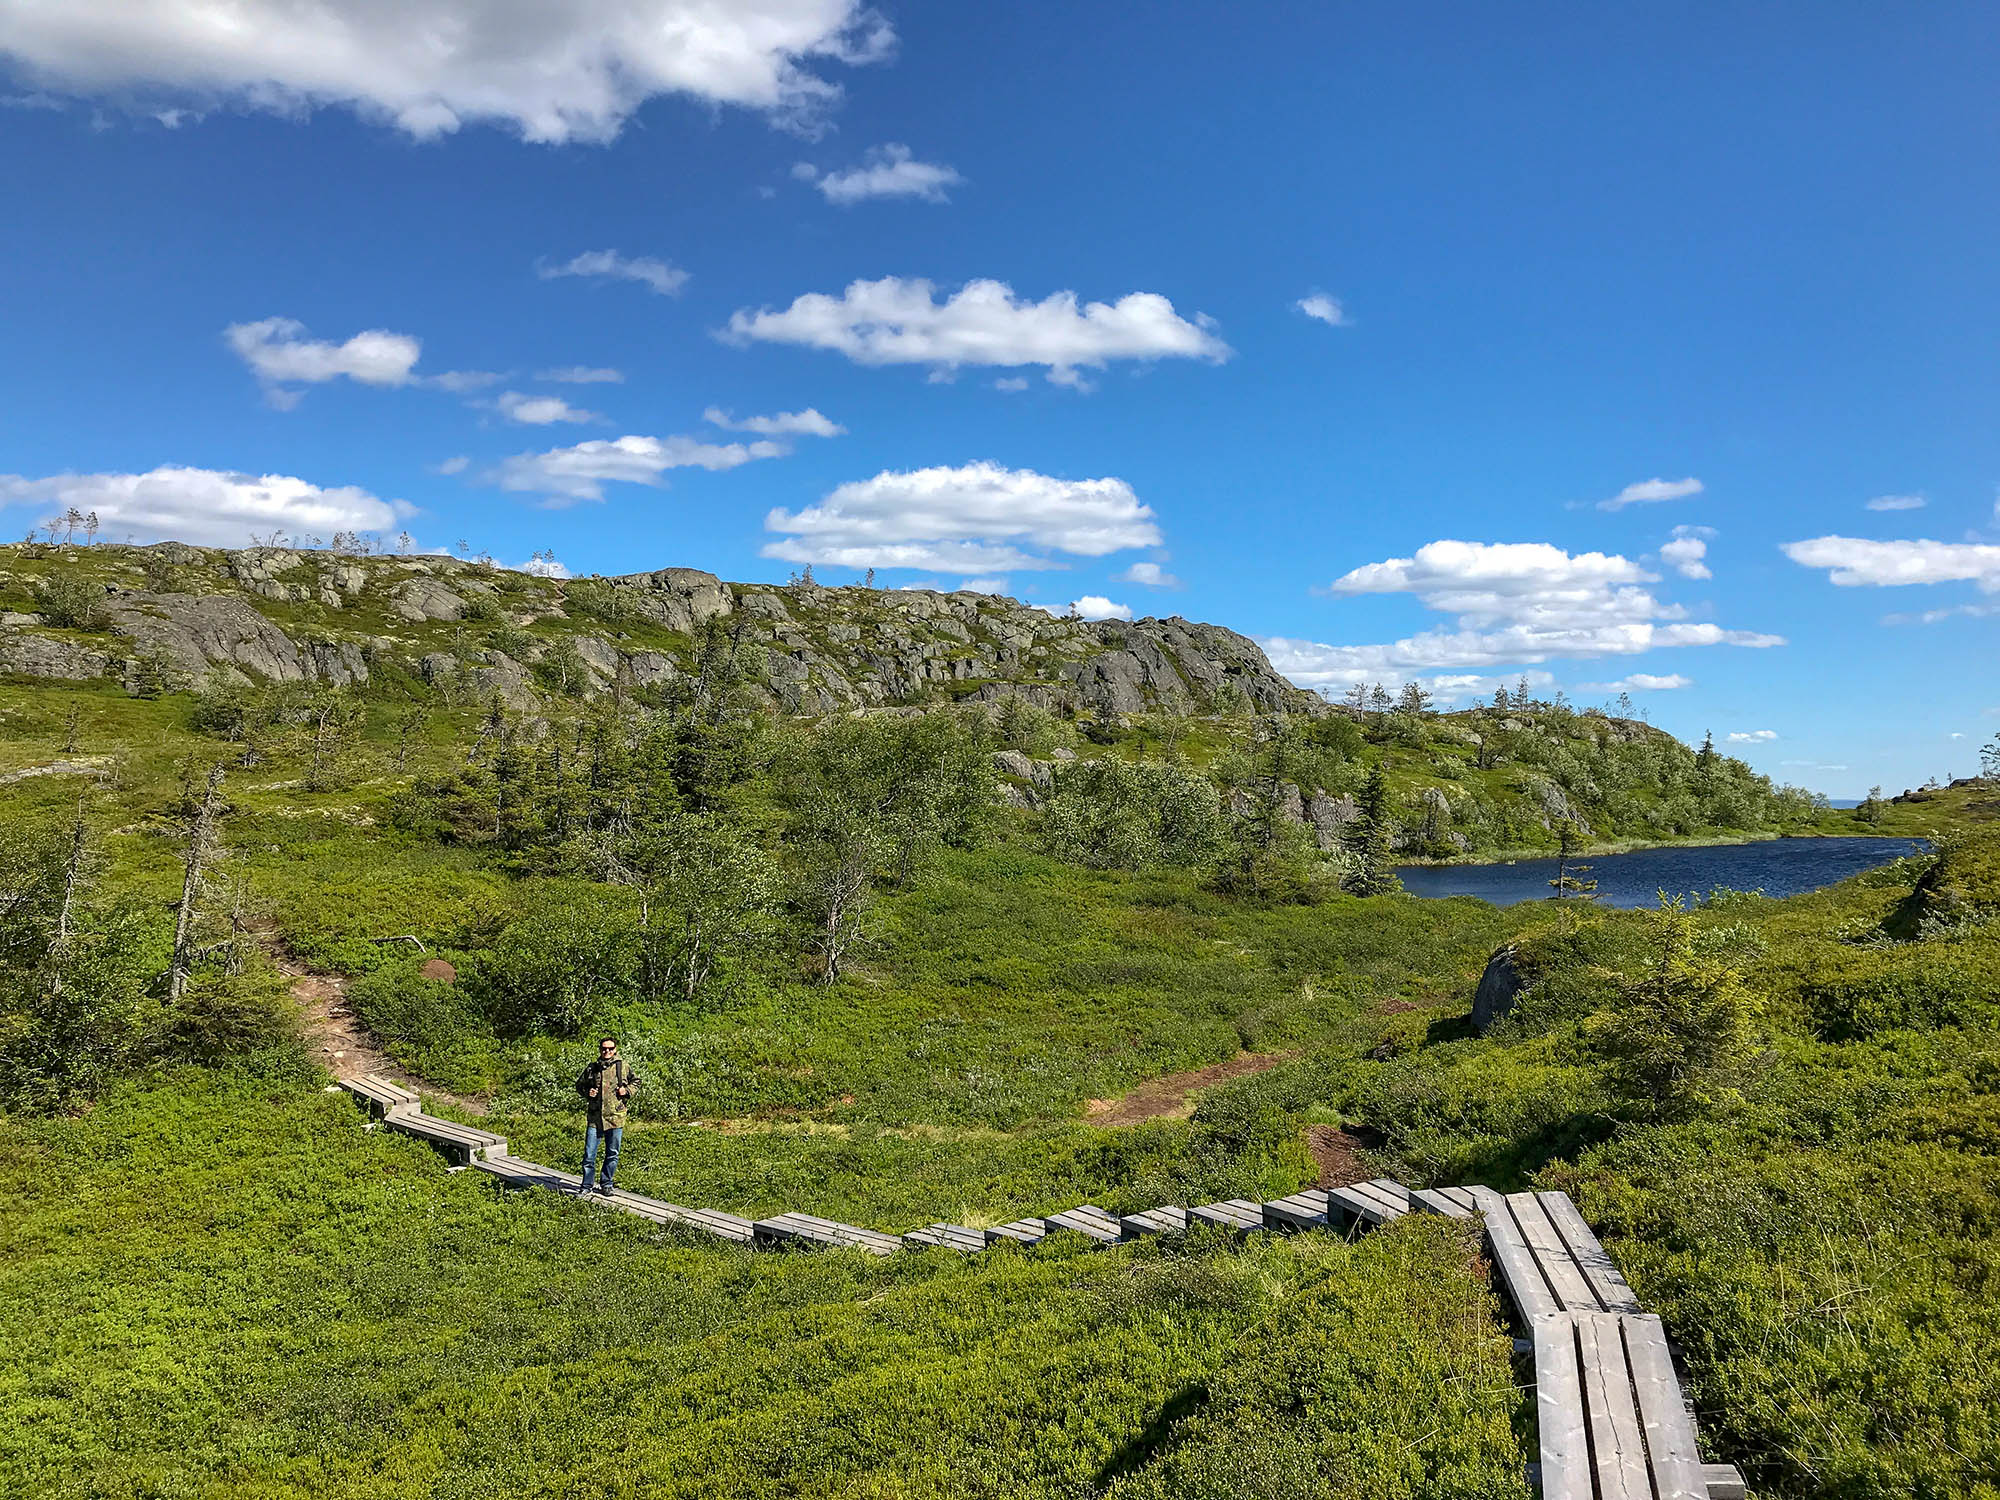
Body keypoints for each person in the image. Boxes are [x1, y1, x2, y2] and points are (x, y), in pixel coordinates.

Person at [574, 1036, 637, 1194]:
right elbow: (579, 1085)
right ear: (600, 1049)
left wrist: (627, 1091)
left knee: (612, 1153)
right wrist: (588, 1092)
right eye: (604, 1048)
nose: (607, 1051)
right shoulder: (592, 1068)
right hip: (595, 1118)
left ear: (615, 1050)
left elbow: (636, 1082)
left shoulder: (623, 1066)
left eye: (610, 1048)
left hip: (616, 1116)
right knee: (589, 1155)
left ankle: (606, 1184)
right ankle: (586, 1186)